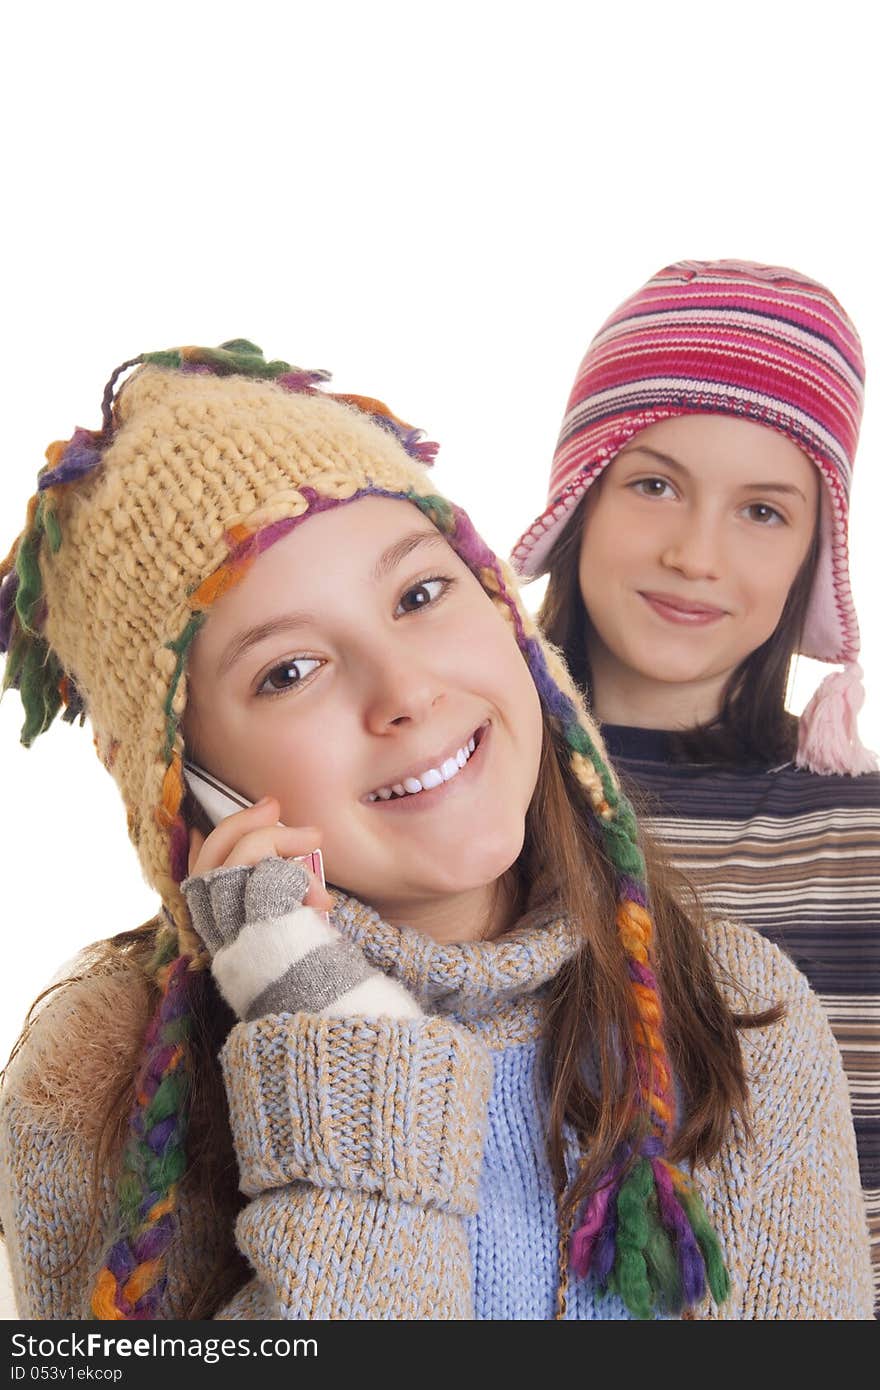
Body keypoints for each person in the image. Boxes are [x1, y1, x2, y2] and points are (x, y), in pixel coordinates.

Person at [0, 340, 871, 1321]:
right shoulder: (96, 1075)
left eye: (419, 594)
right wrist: (343, 1045)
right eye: (288, 670)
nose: (407, 691)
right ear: (186, 784)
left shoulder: (741, 1009)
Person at [511, 258, 880, 1313]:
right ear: (581, 495)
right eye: (655, 483)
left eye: (762, 511)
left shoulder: (856, 840)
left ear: (815, 552)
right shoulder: (460, 799)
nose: (694, 553)